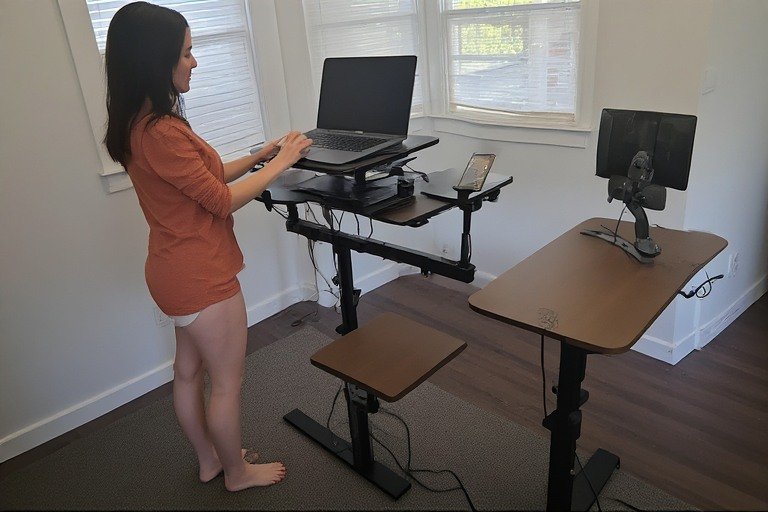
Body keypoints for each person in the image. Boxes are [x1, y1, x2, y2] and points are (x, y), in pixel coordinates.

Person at [103, 2, 312, 492]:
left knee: (187, 375)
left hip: (171, 273)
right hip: (203, 277)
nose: (194, 62)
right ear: (158, 61)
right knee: (228, 384)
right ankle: (237, 473)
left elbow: (202, 180)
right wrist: (283, 162)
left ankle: (209, 461)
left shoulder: (138, 123)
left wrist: (259, 155)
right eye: (187, 53)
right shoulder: (163, 132)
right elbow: (220, 201)